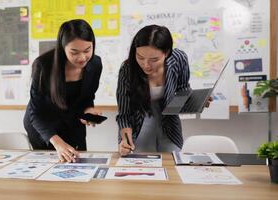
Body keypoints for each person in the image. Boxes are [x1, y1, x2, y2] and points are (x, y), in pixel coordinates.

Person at [116, 24, 210, 155]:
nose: (146, 65)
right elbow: (124, 114)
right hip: (139, 126)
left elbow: (183, 91)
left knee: (173, 164)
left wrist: (196, 102)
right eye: (140, 57)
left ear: (166, 53)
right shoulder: (127, 69)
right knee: (141, 167)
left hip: (169, 127)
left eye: (154, 59)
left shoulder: (178, 59)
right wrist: (125, 140)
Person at [24, 19, 103, 162]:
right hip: (45, 128)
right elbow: (35, 113)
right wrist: (58, 144)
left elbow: (87, 97)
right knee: (50, 173)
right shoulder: (43, 66)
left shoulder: (95, 64)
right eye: (74, 52)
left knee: (80, 166)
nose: (82, 57)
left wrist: (89, 110)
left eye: (87, 50)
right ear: (62, 47)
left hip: (73, 124)